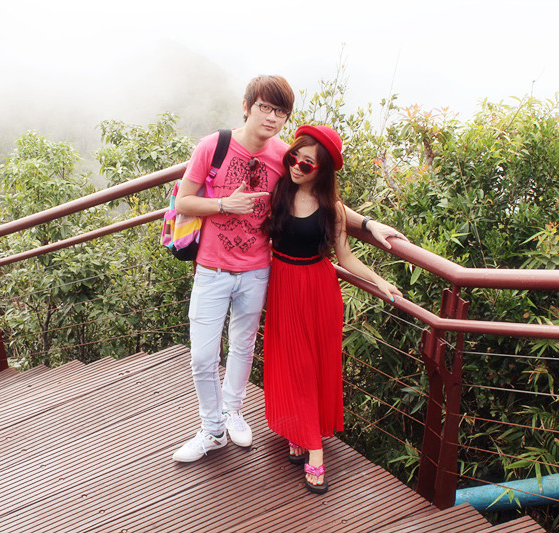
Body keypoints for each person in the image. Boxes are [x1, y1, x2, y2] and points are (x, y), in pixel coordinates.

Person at [172, 75, 405, 463]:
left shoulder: (284, 156)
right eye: (264, 107)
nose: (271, 117)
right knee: (202, 356)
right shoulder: (212, 146)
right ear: (246, 106)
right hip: (212, 268)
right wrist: (224, 205)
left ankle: (232, 412)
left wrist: (367, 224)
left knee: (243, 346)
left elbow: (320, 194)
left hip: (257, 270)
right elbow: (183, 202)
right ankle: (211, 429)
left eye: (280, 111)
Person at [263, 124, 402, 493]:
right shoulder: (279, 190)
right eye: (294, 157)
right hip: (283, 286)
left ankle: (314, 447)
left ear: (322, 171)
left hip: (318, 289)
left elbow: (345, 258)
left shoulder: (332, 209)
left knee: (312, 366)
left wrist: (379, 280)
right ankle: (299, 430)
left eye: (307, 164)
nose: (297, 166)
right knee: (291, 363)